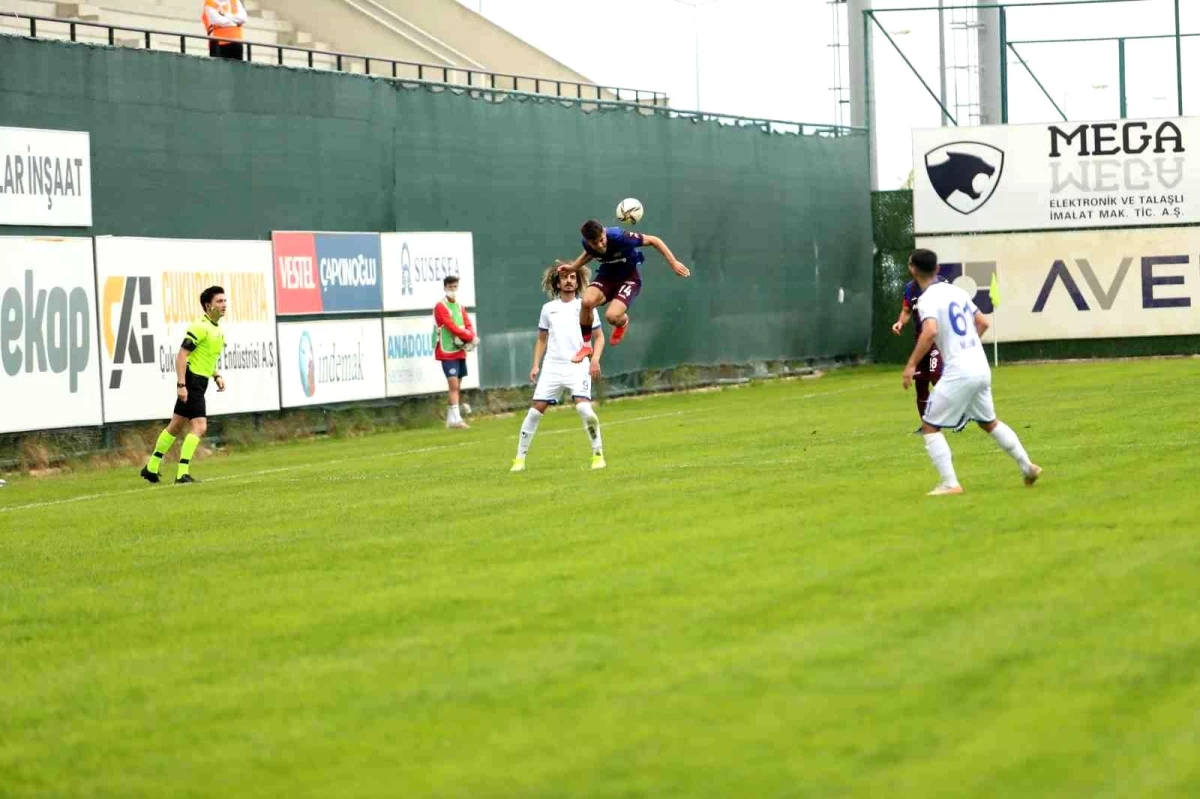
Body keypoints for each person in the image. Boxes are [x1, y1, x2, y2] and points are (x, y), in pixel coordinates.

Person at [902, 249, 1041, 496]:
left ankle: (950, 483)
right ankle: (1027, 467)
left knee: (930, 426)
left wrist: (912, 364)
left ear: (912, 269)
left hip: (959, 371)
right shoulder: (957, 291)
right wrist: (968, 346)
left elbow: (930, 331)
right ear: (937, 269)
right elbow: (983, 323)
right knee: (989, 422)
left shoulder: (926, 300)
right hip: (980, 365)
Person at [511, 260, 606, 472]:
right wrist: (536, 365)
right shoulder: (548, 309)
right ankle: (519, 459)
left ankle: (597, 454)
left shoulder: (587, 306)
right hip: (553, 366)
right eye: (565, 277)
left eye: (573, 277)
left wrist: (595, 360)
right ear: (557, 282)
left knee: (583, 407)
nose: (569, 281)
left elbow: (599, 337)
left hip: (578, 364)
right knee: (535, 412)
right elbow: (542, 339)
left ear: (578, 281)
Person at [560, 219, 690, 363]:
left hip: (629, 279)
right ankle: (586, 346)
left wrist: (673, 262)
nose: (600, 245)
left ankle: (623, 323)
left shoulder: (620, 237)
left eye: (601, 240)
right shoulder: (588, 244)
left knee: (611, 316)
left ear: (604, 232)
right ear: (588, 242)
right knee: (586, 302)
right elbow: (589, 253)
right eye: (594, 243)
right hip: (606, 277)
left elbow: (654, 240)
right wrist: (573, 267)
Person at [140, 286, 227, 485]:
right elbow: (182, 355)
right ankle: (182, 473)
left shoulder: (217, 330)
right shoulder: (200, 327)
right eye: (219, 301)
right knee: (200, 426)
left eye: (224, 301)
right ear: (208, 305)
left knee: (176, 425)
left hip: (200, 380)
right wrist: (181, 384)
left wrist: (216, 375)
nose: (224, 305)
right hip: (192, 380)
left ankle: (152, 467)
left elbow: (205, 357)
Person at [892, 272, 947, 423]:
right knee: (921, 383)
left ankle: (959, 414)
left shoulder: (940, 283)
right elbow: (906, 310)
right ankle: (927, 424)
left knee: (937, 377)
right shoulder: (910, 288)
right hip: (921, 341)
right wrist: (900, 323)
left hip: (937, 338)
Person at [433, 275, 476, 429]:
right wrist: (467, 335)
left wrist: (471, 335)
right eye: (450, 287)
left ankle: (451, 419)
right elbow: (450, 325)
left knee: (457, 385)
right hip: (447, 350)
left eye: (455, 287)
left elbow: (467, 322)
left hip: (459, 350)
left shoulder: (459, 306)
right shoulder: (440, 306)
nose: (452, 289)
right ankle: (457, 419)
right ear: (445, 288)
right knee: (453, 384)